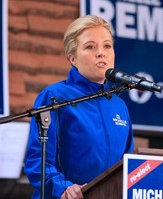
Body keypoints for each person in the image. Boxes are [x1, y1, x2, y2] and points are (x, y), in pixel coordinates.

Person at [24, 15, 135, 199]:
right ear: (73, 58)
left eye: (107, 45)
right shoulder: (55, 96)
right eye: (90, 47)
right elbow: (38, 160)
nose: (101, 53)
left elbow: (128, 164)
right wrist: (64, 188)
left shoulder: (118, 105)